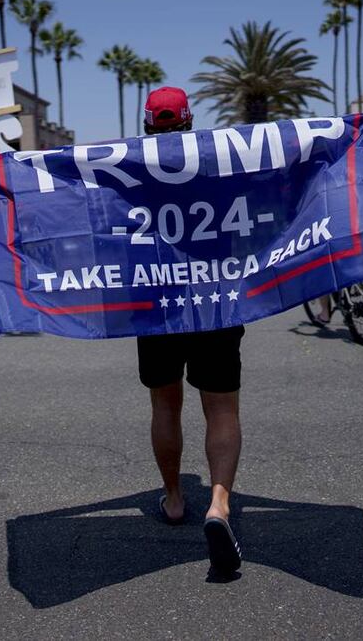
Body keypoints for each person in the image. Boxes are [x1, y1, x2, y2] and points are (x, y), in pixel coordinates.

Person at [138, 86, 243, 574]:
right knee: (220, 405)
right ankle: (218, 505)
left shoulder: (128, 167)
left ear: (148, 124)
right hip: (216, 298)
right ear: (188, 121)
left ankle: (176, 498)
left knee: (165, 403)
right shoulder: (219, 162)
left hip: (157, 301)